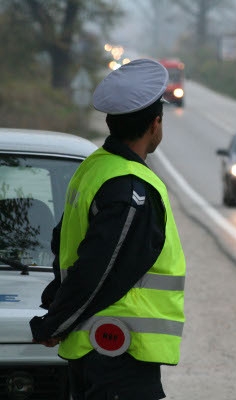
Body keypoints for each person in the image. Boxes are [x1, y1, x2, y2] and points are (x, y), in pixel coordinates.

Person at [29, 58, 186, 400]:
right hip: (118, 349)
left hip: (95, 350)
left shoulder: (95, 167)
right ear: (155, 125)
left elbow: (64, 241)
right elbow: (100, 268)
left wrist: (58, 301)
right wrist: (56, 321)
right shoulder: (131, 186)